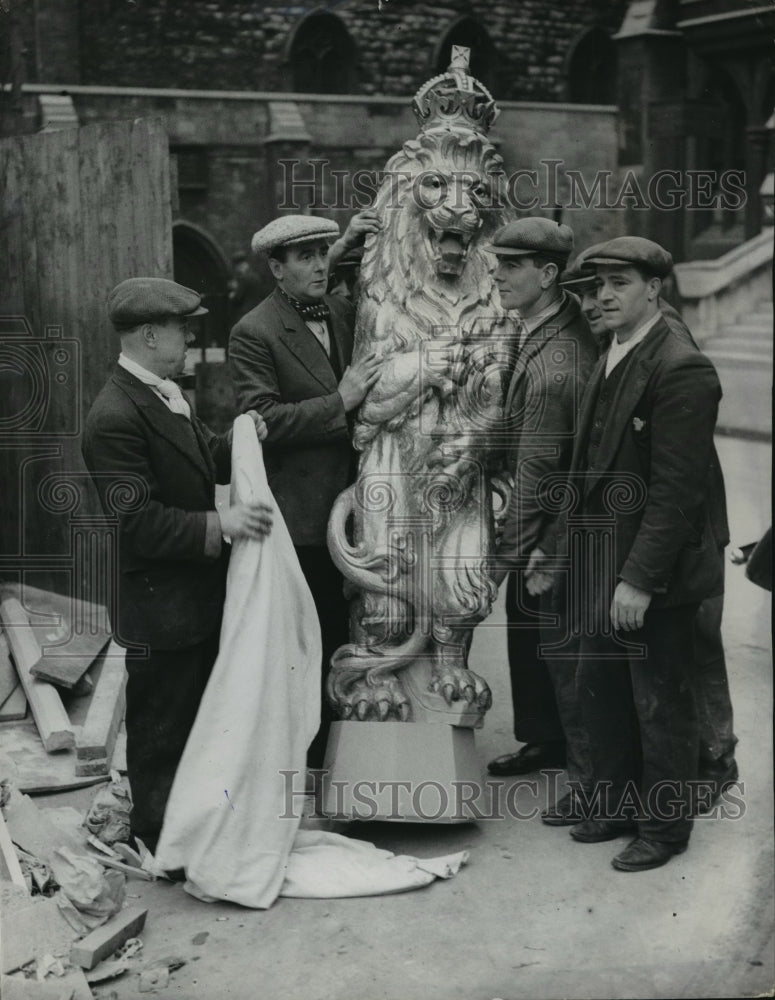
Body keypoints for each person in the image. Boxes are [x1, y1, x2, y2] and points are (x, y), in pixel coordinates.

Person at [547, 236, 728, 871]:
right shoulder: (614, 351)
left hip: (653, 573)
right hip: (604, 562)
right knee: (610, 692)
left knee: (661, 702)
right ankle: (620, 807)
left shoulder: (680, 365)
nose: (603, 295)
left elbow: (680, 493)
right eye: (596, 286)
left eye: (619, 283)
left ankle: (665, 828)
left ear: (654, 288)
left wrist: (640, 580)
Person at [82, 277, 272, 854]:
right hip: (160, 608)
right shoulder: (114, 417)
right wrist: (222, 525)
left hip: (189, 599)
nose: (190, 337)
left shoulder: (164, 392)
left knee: (195, 723)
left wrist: (243, 434)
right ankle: (162, 845)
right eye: (181, 328)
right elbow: (138, 521)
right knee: (161, 732)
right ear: (147, 335)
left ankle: (195, 836)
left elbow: (200, 456)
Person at [228, 215, 380, 767]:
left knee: (363, 629)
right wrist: (340, 399)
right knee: (313, 637)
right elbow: (260, 417)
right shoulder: (254, 331)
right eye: (305, 257)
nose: (319, 265)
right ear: (276, 268)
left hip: (361, 507)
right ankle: (315, 761)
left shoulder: (340, 311)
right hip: (305, 518)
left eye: (324, 254)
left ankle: (354, 747)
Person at [484, 218, 599, 811]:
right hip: (551, 522)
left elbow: (535, 475)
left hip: (560, 528)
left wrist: (503, 559)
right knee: (531, 629)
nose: (497, 274)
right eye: (497, 261)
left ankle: (586, 779)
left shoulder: (558, 357)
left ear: (549, 275)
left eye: (511, 265)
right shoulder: (545, 323)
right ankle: (547, 740)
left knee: (562, 645)